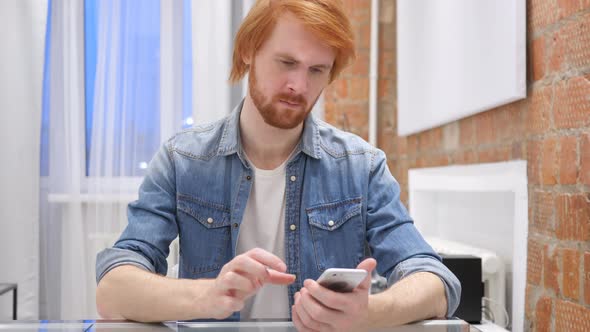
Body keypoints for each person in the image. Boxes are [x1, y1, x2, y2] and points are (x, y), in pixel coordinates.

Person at [95, 0, 461, 330]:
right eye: (287, 63)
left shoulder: (360, 166)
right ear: (249, 51)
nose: (299, 85)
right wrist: (209, 296)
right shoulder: (183, 160)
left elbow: (435, 281)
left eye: (317, 70)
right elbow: (113, 289)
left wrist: (370, 315)